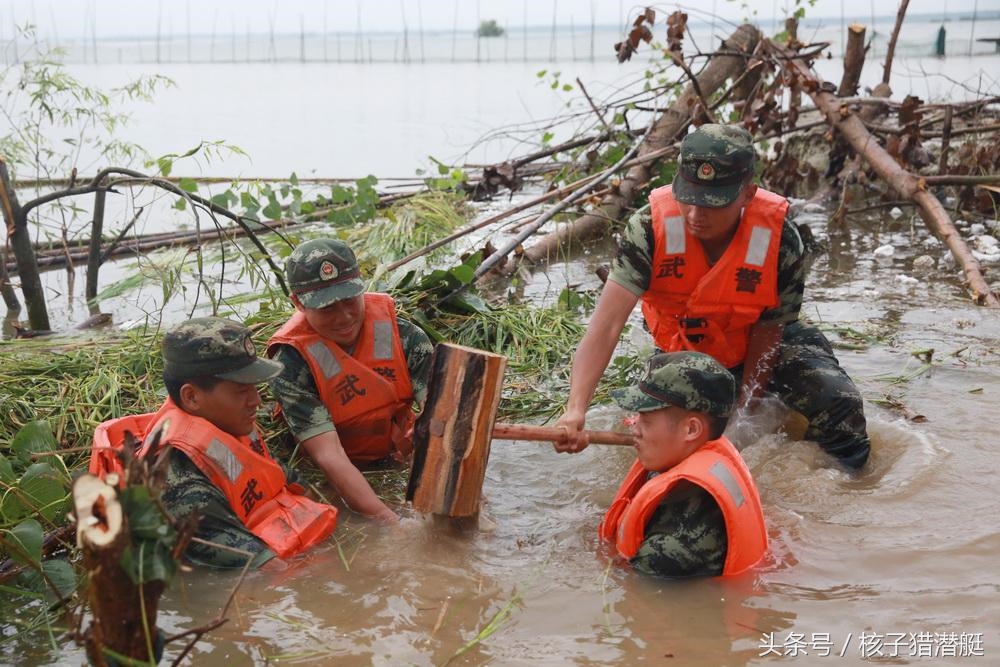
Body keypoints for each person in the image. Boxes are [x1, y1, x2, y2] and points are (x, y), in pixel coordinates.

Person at [556, 123, 870, 469]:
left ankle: (839, 488)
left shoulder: (780, 241)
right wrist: (575, 409)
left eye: (712, 204)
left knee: (841, 404)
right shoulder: (648, 230)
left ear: (747, 194)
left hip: (757, 342)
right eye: (689, 198)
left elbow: (768, 335)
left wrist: (744, 415)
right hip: (686, 352)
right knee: (667, 443)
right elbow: (606, 327)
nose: (695, 215)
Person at [90, 317, 339, 569]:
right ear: (192, 397)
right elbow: (267, 571)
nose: (256, 400)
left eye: (254, 387)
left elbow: (292, 483)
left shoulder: (228, 424)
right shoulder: (176, 482)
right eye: (241, 391)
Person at [266, 238, 433, 523]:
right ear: (298, 303)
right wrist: (388, 520)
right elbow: (328, 455)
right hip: (334, 470)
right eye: (327, 308)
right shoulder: (290, 363)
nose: (343, 317)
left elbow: (443, 417)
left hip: (398, 455)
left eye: (349, 301)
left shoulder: (406, 337)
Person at [599, 351, 767, 578]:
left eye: (646, 420)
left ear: (691, 430)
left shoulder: (671, 548)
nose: (633, 427)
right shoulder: (699, 452)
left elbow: (635, 597)